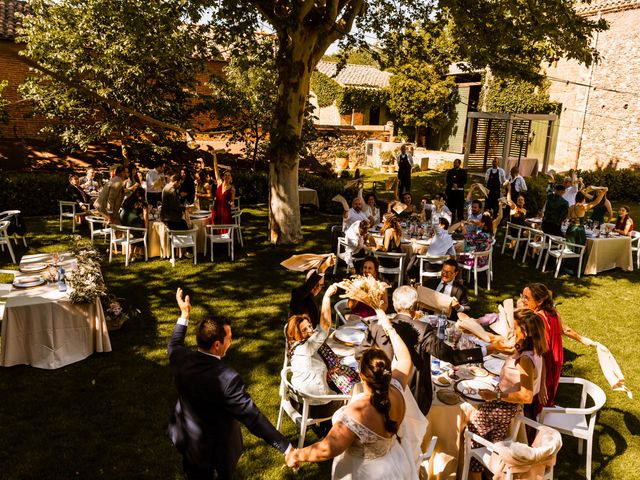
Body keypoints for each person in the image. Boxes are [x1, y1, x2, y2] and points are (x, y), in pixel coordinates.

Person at [167, 288, 291, 480]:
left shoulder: (181, 358)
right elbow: (253, 417)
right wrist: (286, 447)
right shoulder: (227, 378)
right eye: (229, 338)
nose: (231, 341)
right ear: (217, 344)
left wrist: (184, 315)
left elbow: (174, 343)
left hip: (187, 438)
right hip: (217, 448)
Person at [286, 309, 421, 479]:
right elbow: (404, 359)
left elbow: (327, 449)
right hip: (396, 464)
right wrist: (389, 328)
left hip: (365, 474)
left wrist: (296, 455)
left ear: (361, 374)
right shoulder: (397, 388)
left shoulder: (357, 413)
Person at [361, 286, 511, 415]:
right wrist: (487, 350)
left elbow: (359, 354)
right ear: (416, 306)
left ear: (394, 304)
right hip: (413, 396)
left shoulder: (375, 325)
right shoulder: (422, 329)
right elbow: (451, 356)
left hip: (378, 392)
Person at [466, 308, 547, 480]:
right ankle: (493, 474)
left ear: (525, 332)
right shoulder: (533, 350)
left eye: (515, 328)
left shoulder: (525, 360)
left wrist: (495, 396)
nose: (511, 331)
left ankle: (474, 475)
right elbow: (507, 349)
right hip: (505, 407)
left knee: (470, 435)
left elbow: (526, 396)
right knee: (492, 440)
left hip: (503, 407)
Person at [519, 283, 595, 418]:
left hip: (546, 364)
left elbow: (541, 352)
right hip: (556, 360)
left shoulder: (538, 320)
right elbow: (565, 330)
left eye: (526, 298)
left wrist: (541, 384)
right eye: (522, 296)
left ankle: (535, 429)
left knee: (537, 399)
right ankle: (544, 416)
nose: (522, 301)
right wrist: (583, 340)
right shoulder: (553, 313)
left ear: (540, 301)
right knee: (546, 398)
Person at [287, 284, 357, 413]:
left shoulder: (295, 347)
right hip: (313, 406)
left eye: (310, 326)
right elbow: (325, 325)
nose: (311, 331)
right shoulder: (306, 347)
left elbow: (310, 368)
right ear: (296, 334)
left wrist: (325, 374)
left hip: (296, 400)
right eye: (304, 330)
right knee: (356, 398)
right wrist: (327, 296)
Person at [289, 255, 335, 328]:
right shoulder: (297, 294)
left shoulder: (314, 297)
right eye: (316, 284)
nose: (318, 288)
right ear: (307, 281)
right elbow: (309, 285)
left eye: (321, 285)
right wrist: (325, 265)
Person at [565, 187, 607, 254]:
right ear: (583, 199)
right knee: (578, 248)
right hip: (578, 230)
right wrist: (603, 192)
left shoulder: (571, 207)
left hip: (570, 228)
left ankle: (567, 262)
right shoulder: (582, 207)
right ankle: (577, 262)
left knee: (570, 247)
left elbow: (568, 217)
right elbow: (596, 202)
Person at [119, 187, 148, 258]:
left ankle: (131, 252)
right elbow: (145, 216)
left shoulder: (128, 199)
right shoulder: (142, 203)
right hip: (133, 222)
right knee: (142, 233)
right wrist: (146, 227)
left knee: (136, 234)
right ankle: (136, 253)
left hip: (123, 221)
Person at [211, 151, 235, 228]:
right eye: (225, 175)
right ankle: (216, 239)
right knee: (216, 224)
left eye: (229, 175)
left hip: (225, 210)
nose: (227, 176)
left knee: (226, 226)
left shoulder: (232, 189)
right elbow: (215, 168)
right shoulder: (219, 182)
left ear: (231, 178)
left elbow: (232, 201)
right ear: (223, 177)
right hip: (217, 208)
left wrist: (232, 203)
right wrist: (214, 156)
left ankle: (227, 239)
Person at [446, 158, 467, 223]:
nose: (455, 164)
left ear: (459, 164)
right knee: (451, 207)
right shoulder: (450, 171)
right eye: (454, 163)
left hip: (460, 192)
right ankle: (451, 221)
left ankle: (461, 221)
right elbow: (448, 180)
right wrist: (453, 184)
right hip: (451, 193)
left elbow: (465, 181)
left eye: (456, 163)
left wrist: (458, 185)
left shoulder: (463, 171)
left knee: (460, 207)